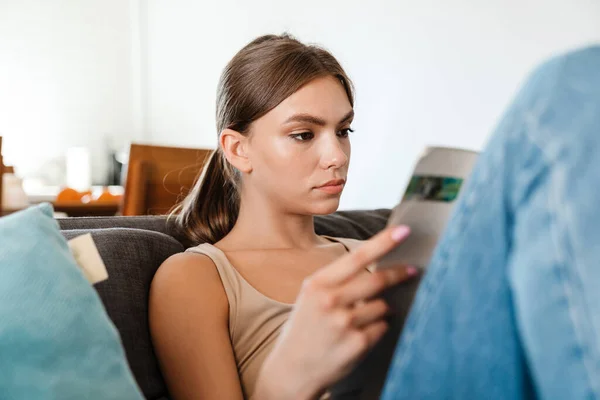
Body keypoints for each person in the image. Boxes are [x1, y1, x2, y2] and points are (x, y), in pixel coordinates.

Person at [149, 34, 417, 400]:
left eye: (343, 131)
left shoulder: (374, 258)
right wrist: (293, 374)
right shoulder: (196, 278)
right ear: (238, 149)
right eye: (304, 134)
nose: (336, 155)